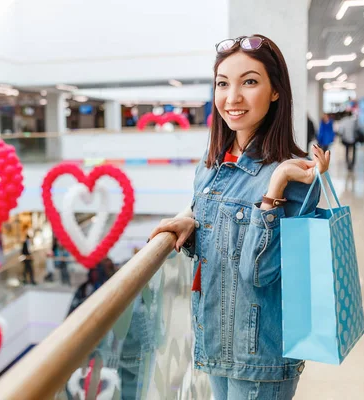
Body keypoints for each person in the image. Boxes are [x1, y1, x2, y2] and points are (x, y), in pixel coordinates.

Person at [148, 34, 330, 400]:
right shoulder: (212, 161)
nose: (232, 98)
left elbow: (258, 272)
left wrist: (275, 187)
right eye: (222, 83)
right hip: (214, 341)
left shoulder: (292, 175)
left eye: (249, 81)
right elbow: (219, 225)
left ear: (275, 90)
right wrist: (191, 218)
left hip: (260, 357)